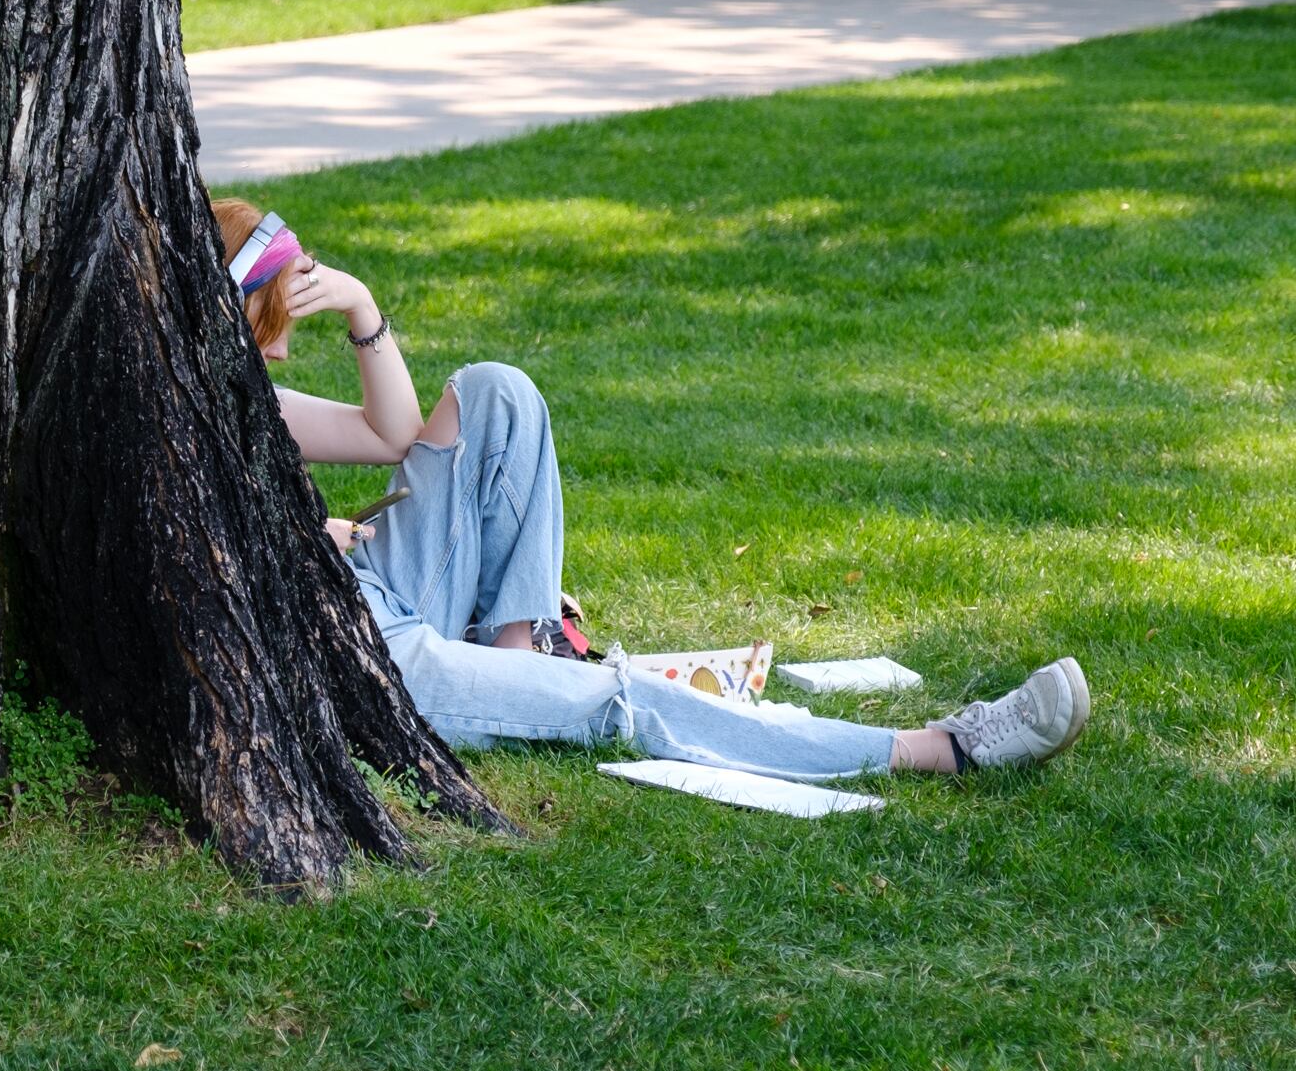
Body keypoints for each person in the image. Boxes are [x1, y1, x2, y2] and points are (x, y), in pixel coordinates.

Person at [214, 199, 1092, 781]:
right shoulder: (168, 419)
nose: (285, 350)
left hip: (378, 593)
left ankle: (521, 647)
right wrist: (303, 536)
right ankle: (940, 748)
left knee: (495, 390)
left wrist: (364, 308)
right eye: (271, 326)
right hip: (366, 653)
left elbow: (392, 435)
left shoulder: (243, 398)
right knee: (615, 701)